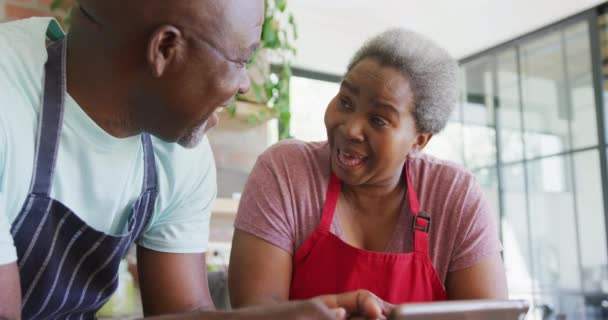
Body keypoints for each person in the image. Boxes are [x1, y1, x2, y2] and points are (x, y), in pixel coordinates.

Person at [0, 0, 387, 319]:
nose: (244, 84)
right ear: (165, 50)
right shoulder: (8, 105)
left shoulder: (177, 155)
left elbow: (182, 312)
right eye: (241, 60)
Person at [229, 28, 509, 308]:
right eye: (346, 102)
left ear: (418, 141)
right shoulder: (286, 172)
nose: (350, 128)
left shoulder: (454, 196)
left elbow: (488, 316)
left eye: (378, 120)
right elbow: (256, 311)